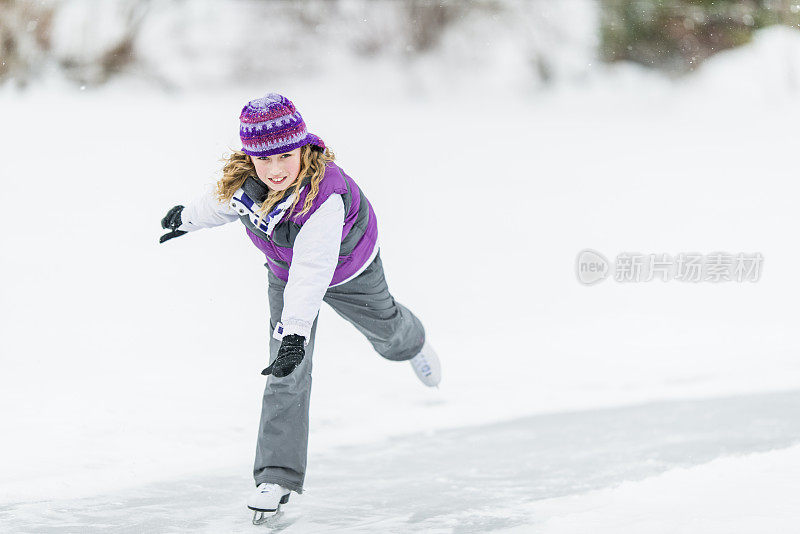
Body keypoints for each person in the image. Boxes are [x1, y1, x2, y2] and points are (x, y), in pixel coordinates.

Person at [159, 93, 441, 519]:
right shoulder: (246, 184)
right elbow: (220, 205)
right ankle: (275, 476)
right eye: (262, 159)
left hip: (350, 271)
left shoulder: (323, 198)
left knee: (387, 329)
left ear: (303, 147)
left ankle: (413, 343)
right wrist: (185, 218)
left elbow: (313, 271)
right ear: (248, 158)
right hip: (286, 273)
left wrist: (295, 332)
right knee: (285, 371)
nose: (274, 170)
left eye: (285, 156)